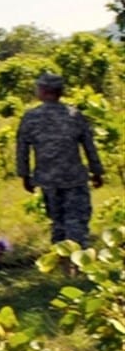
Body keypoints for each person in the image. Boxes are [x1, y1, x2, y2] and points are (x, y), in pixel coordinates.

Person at [15, 71, 106, 244]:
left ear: (43, 90)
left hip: (48, 179)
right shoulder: (74, 114)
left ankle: (62, 259)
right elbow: (89, 146)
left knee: (58, 221)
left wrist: (25, 176)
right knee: (76, 221)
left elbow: (22, 149)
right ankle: (77, 261)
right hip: (74, 177)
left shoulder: (30, 117)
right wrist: (97, 172)